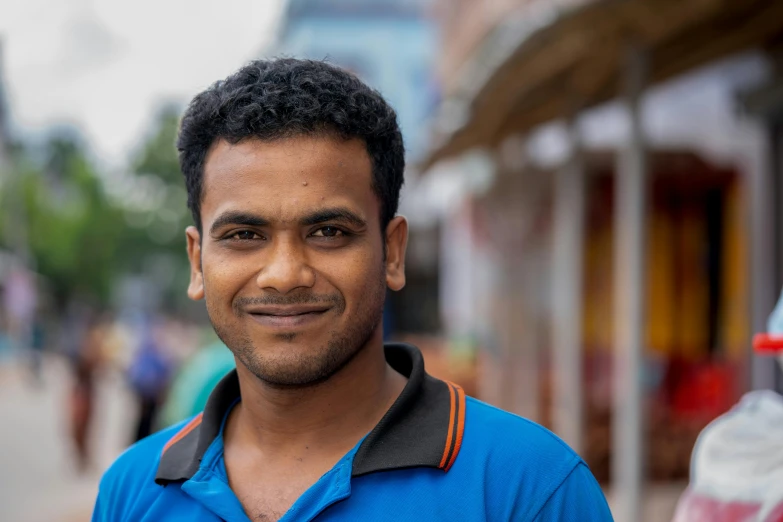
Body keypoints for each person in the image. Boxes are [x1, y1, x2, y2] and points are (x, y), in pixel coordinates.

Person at [92, 58, 612, 521]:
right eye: (244, 235)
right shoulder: (133, 489)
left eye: (329, 232)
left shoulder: (529, 489)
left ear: (392, 252)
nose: (284, 273)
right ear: (197, 261)